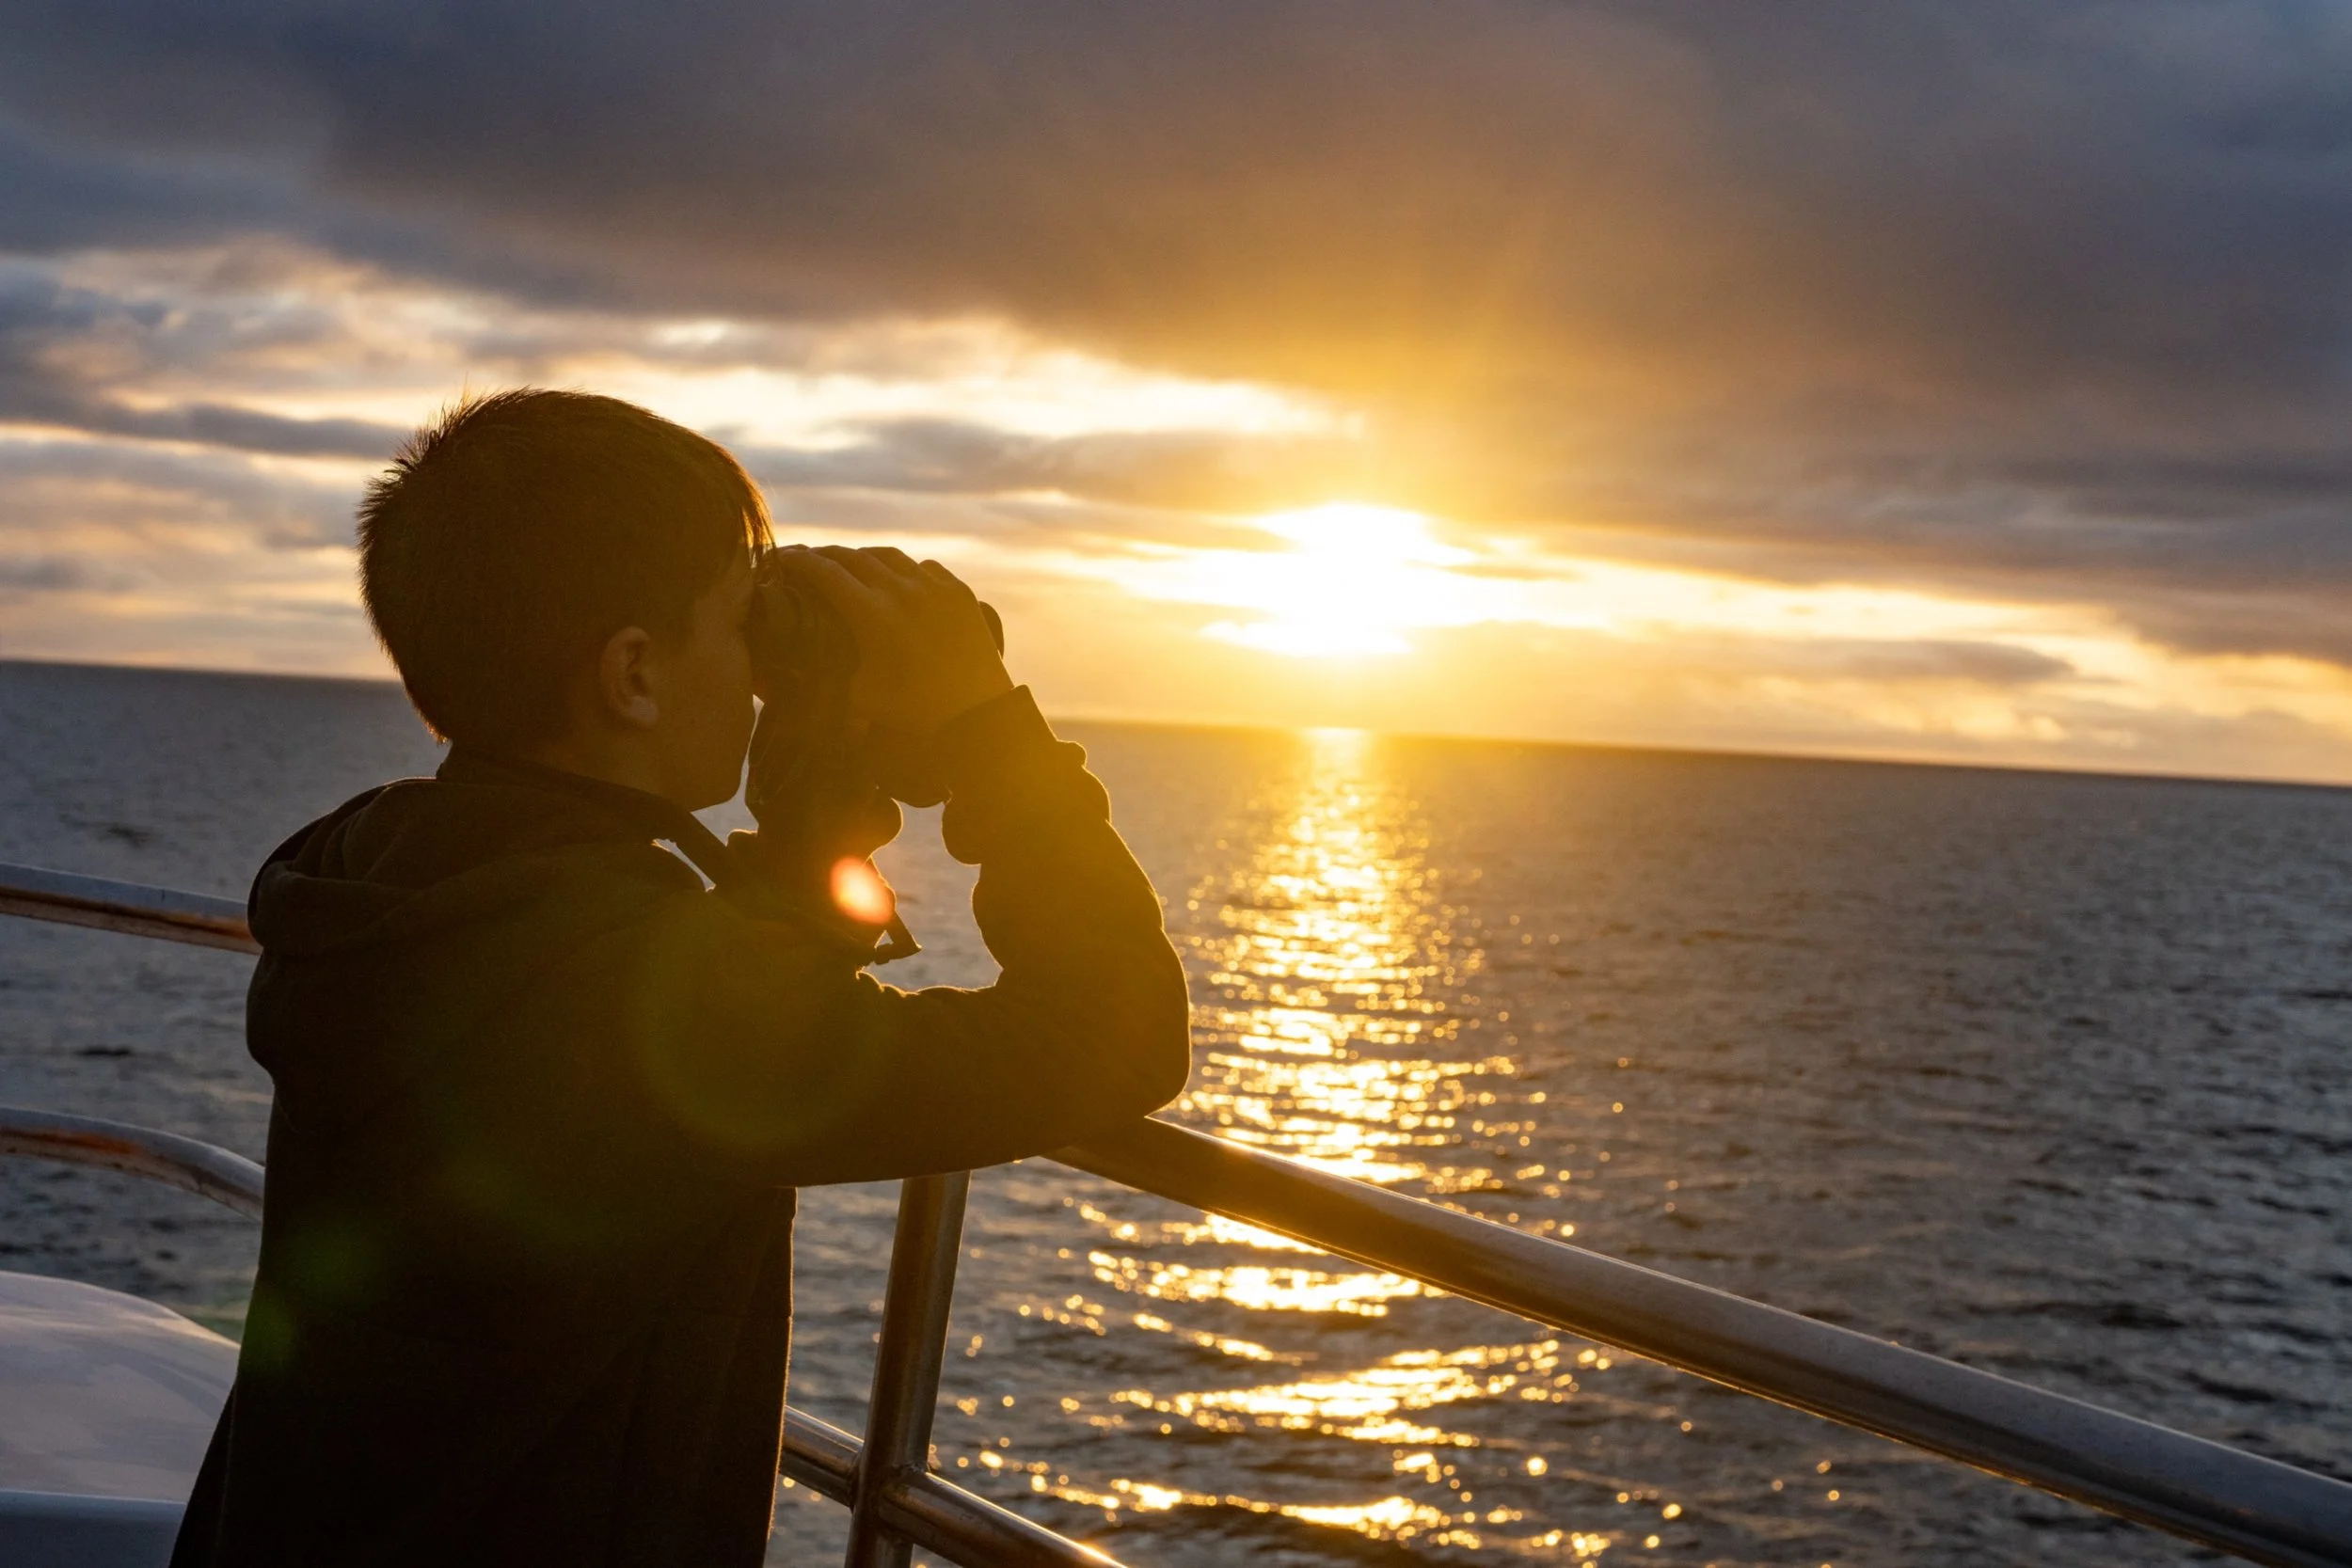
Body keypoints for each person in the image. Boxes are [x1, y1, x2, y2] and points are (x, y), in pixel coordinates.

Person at [169, 389, 1193, 1567]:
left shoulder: (379, 881)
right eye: (739, 619)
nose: (760, 669)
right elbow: (1118, 1030)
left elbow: (673, 1025)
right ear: (635, 674)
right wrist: (988, 735)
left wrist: (806, 828)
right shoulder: (635, 993)